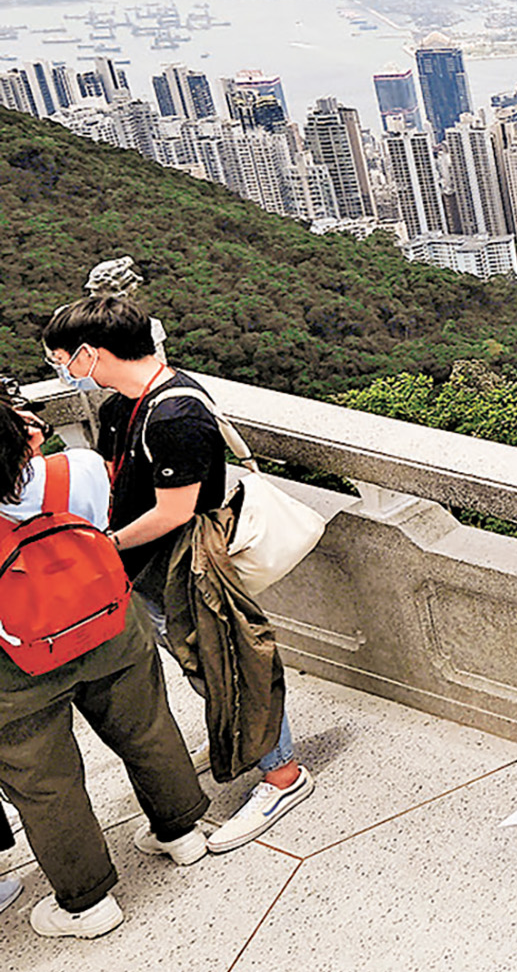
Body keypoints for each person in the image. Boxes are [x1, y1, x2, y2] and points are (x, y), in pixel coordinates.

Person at [41, 295, 315, 852]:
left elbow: (174, 511)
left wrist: (104, 545)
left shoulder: (175, 414)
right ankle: (239, 740)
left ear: (91, 354)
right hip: (148, 568)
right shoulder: (124, 403)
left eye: (62, 359)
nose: (63, 372)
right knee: (200, 661)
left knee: (229, 661)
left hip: (187, 563)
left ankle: (282, 773)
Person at [0, 391, 209, 940]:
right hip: (107, 621)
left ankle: (88, 903)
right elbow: (98, 526)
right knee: (146, 728)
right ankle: (182, 831)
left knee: (45, 781)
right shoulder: (81, 469)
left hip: (17, 663)